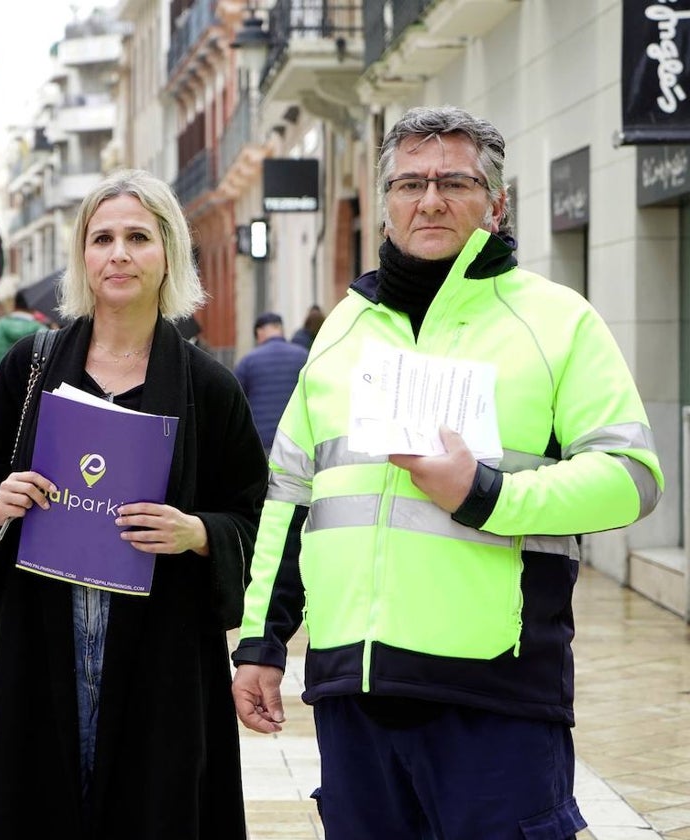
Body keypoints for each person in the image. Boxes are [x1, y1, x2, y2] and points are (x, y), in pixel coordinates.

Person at [231, 105, 664, 839]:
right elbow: (292, 499)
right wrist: (261, 644)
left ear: (495, 204)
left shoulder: (558, 321)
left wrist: (485, 495)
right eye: (409, 184)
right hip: (352, 692)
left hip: (494, 696)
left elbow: (631, 478)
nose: (429, 200)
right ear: (386, 205)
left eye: (453, 182)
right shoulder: (341, 328)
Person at [0, 169, 268, 839]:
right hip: (43, 639)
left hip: (163, 654)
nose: (119, 253)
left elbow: (252, 512)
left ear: (168, 254)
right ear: (83, 258)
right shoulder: (31, 368)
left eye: (138, 237)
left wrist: (197, 533)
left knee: (156, 808)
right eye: (103, 238)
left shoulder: (209, 387)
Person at [233, 311, 309, 453]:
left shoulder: (248, 361)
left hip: (262, 441)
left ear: (260, 332)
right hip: (295, 439)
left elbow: (236, 401)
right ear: (280, 329)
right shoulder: (303, 356)